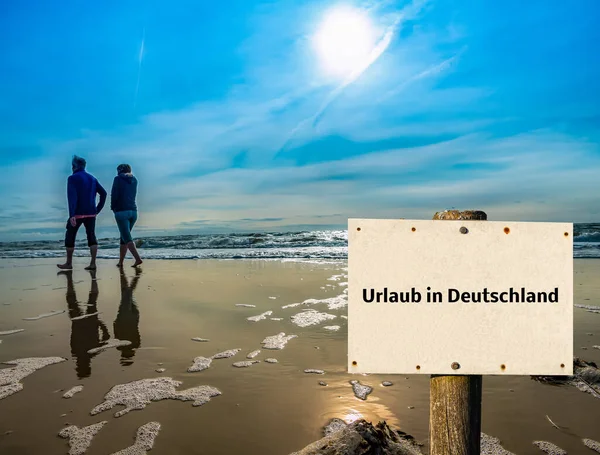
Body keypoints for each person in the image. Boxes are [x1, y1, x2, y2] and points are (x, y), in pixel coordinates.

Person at [57, 155, 107, 270]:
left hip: (78, 213)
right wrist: (97, 210)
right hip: (91, 213)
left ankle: (69, 263)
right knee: (91, 236)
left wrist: (71, 215)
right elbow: (103, 194)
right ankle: (93, 263)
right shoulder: (92, 178)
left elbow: (72, 197)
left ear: (74, 166)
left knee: (70, 235)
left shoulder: (72, 178)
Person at [60, 269, 110, 379]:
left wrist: (101, 324)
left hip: (82, 322)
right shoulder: (88, 351)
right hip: (81, 322)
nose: (78, 364)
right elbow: (106, 337)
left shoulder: (90, 352)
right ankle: (86, 279)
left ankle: (80, 280)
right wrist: (100, 324)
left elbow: (106, 337)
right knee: (80, 300)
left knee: (88, 300)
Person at [111, 163, 143, 267]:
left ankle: (138, 259)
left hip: (121, 211)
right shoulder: (134, 180)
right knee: (123, 237)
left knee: (127, 238)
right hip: (133, 211)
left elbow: (114, 194)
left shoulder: (117, 179)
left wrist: (113, 208)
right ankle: (120, 262)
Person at [113, 267, 142, 365]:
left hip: (133, 318)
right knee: (128, 294)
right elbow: (116, 330)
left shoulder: (135, 345)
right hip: (126, 318)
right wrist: (116, 321)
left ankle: (126, 275)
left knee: (127, 295)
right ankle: (135, 276)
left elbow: (117, 331)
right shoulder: (121, 346)